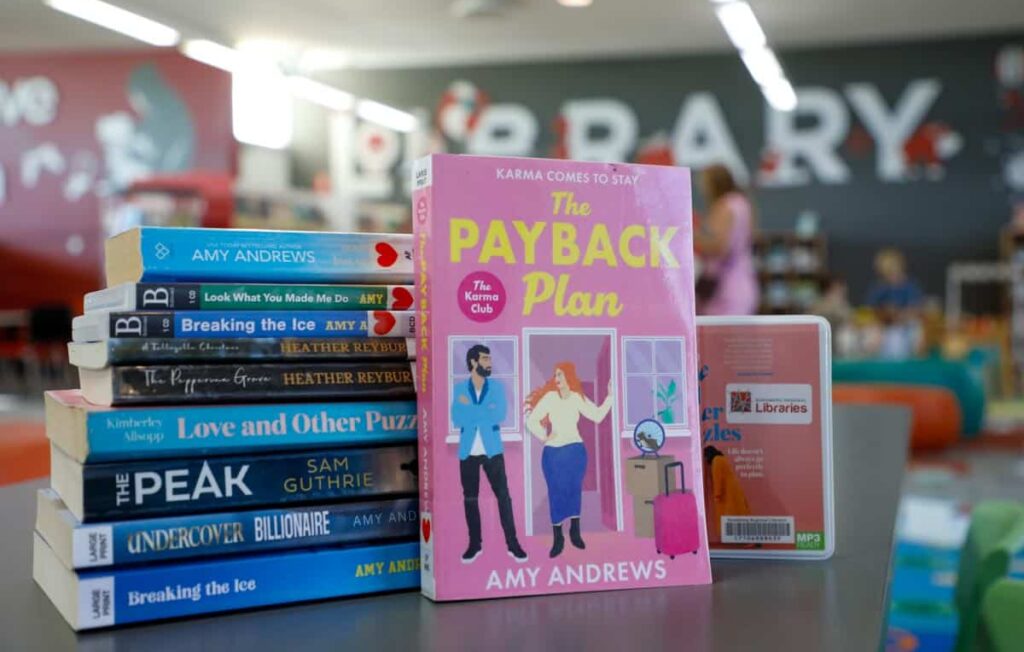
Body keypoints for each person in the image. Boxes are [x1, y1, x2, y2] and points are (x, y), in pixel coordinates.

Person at [524, 362, 613, 558]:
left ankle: (575, 533)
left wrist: (610, 397)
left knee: (574, 490)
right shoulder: (549, 398)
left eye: (560, 375)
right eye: (555, 376)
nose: (557, 380)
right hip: (553, 454)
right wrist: (543, 436)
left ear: (569, 377)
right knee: (556, 493)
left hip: (575, 452)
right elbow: (531, 421)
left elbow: (597, 416)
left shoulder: (576, 398)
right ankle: (558, 538)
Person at [451, 344, 528, 564]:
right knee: (470, 499)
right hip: (468, 451)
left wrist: (472, 411)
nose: (489, 362)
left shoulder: (497, 388)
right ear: (473, 362)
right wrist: (482, 411)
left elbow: (500, 414)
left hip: (492, 449)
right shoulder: (459, 390)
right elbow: (457, 418)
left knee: (503, 497)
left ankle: (513, 544)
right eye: (485, 359)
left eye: (490, 358)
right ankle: (474, 545)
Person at [693, 164, 759, 316]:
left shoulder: (725, 206)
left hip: (725, 289)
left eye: (704, 184)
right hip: (743, 283)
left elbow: (720, 246)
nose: (703, 189)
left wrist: (688, 239)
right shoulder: (742, 203)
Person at [703, 446, 751, 541]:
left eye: (705, 456)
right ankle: (749, 538)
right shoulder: (721, 459)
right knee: (740, 514)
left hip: (727, 493)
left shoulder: (716, 461)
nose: (704, 459)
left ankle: (748, 539)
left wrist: (717, 494)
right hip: (733, 491)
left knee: (734, 515)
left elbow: (718, 478)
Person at [866, 248, 923, 318]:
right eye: (887, 273)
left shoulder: (910, 286)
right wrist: (884, 311)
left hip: (908, 323)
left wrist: (902, 313)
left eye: (893, 269)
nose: (891, 275)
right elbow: (870, 308)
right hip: (884, 323)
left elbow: (917, 307)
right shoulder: (879, 287)